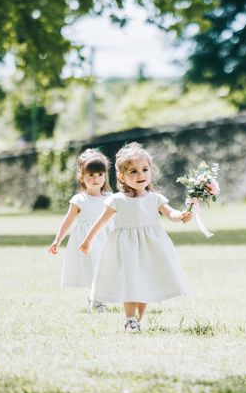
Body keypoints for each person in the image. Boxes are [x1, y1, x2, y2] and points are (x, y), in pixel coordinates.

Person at [79, 142, 192, 332]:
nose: (140, 175)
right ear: (121, 176)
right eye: (133, 171)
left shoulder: (155, 198)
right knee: (130, 281)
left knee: (144, 281)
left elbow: (171, 214)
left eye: (145, 170)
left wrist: (181, 216)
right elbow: (101, 222)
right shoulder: (117, 200)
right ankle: (129, 318)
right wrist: (88, 240)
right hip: (126, 248)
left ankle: (138, 319)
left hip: (151, 247)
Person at [48, 149, 113, 313]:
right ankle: (97, 299)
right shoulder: (79, 200)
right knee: (95, 269)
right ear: (81, 177)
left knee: (108, 269)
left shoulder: (111, 198)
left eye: (99, 174)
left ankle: (99, 296)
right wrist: (58, 239)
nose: (95, 179)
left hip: (107, 238)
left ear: (105, 176)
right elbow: (68, 220)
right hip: (88, 242)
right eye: (90, 175)